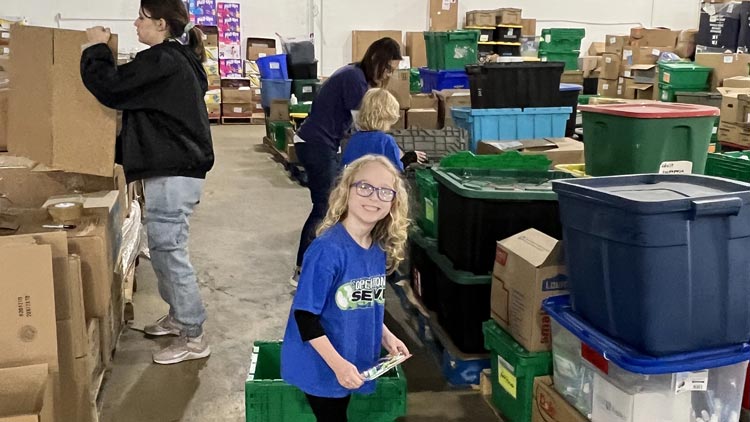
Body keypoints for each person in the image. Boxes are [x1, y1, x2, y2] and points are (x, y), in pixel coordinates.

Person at [80, 0, 214, 365]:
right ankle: (179, 318)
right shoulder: (173, 59)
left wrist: (94, 48)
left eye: (142, 18)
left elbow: (111, 87)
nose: (136, 24)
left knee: (170, 253)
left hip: (175, 173)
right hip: (173, 169)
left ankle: (194, 336)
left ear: (161, 24)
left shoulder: (163, 61)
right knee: (163, 248)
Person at [281, 155, 411, 422]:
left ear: (393, 202)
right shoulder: (327, 250)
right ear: (347, 190)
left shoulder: (377, 248)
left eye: (385, 191)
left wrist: (387, 337)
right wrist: (338, 366)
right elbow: (305, 317)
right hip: (322, 364)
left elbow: (363, 301)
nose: (374, 197)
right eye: (365, 187)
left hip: (350, 358)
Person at [291, 37, 403, 287]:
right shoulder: (355, 80)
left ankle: (325, 266)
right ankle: (302, 270)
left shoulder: (355, 74)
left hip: (319, 142)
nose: (388, 75)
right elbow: (366, 122)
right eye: (387, 68)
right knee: (325, 207)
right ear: (376, 60)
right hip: (316, 143)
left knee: (330, 206)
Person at [342, 88, 427, 171]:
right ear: (387, 118)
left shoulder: (353, 140)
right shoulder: (386, 141)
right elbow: (396, 170)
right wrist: (409, 157)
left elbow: (346, 168)